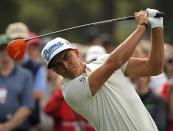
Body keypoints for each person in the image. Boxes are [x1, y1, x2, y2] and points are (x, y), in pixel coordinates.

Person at [41, 9, 164, 131]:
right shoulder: (71, 91)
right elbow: (115, 62)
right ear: (55, 71)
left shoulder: (102, 61)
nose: (65, 66)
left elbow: (154, 67)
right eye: (58, 65)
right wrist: (142, 26)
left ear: (77, 53)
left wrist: (157, 26)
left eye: (66, 57)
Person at [0, 34, 34, 131]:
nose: (4, 52)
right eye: (0, 49)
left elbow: (27, 106)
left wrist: (6, 127)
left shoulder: (25, 75)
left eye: (7, 48)